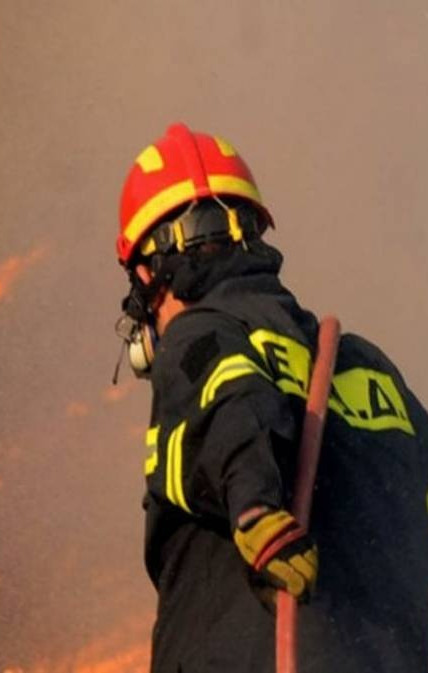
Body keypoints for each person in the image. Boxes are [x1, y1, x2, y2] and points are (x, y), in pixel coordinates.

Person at [113, 122, 428, 673]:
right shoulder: (362, 364)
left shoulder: (197, 335)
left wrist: (255, 507)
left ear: (147, 275)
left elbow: (230, 404)